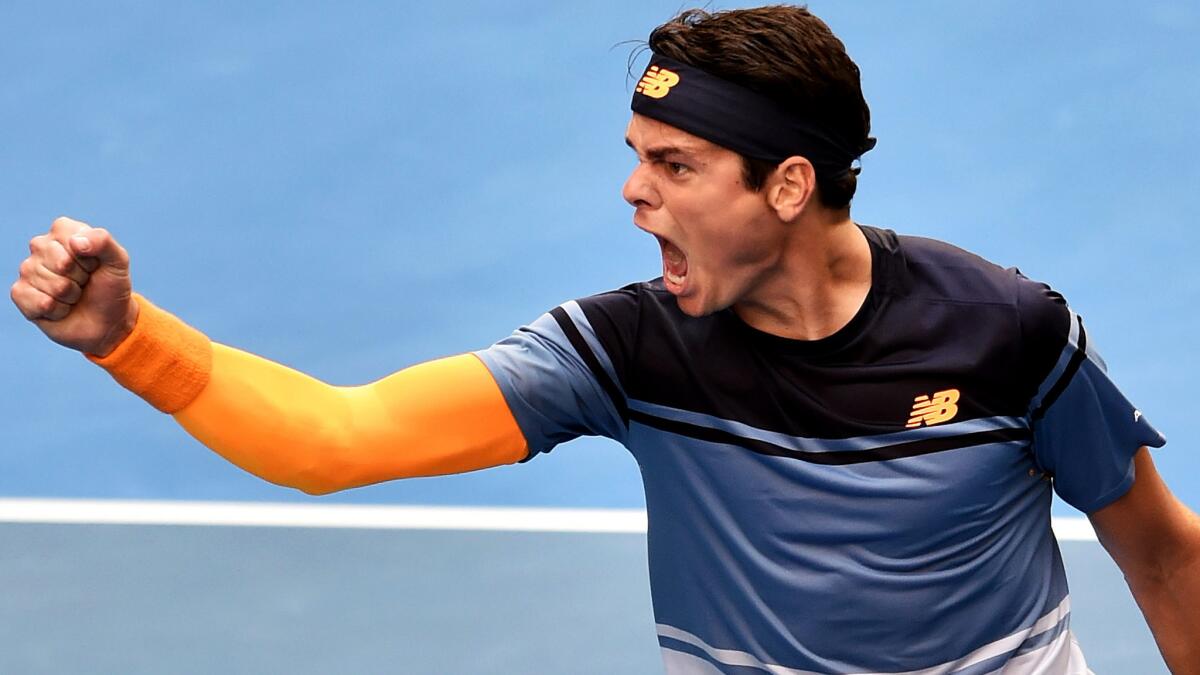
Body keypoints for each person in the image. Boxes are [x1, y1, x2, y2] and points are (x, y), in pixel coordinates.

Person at [11, 5, 1199, 674]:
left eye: (673, 165)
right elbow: (336, 440)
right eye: (635, 156)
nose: (634, 195)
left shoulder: (1006, 334)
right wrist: (129, 341)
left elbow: (1162, 555)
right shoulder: (629, 351)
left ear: (788, 186)